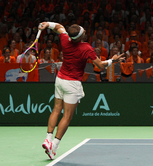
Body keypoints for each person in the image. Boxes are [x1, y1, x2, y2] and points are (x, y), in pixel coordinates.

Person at [38, 22, 124, 160]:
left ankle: (48, 138)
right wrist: (112, 60)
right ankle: (54, 145)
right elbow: (101, 66)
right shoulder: (86, 48)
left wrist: (46, 24)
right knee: (67, 116)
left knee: (56, 110)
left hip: (59, 79)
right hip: (72, 84)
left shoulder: (65, 39)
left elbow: (59, 27)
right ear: (81, 36)